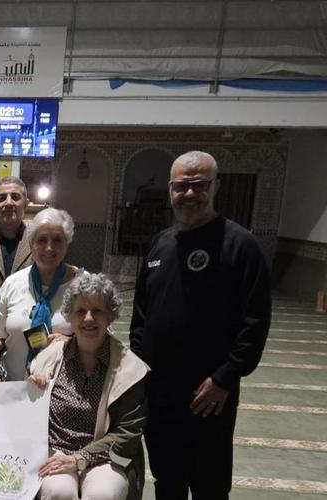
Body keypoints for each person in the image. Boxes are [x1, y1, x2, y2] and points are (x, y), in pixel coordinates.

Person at [130, 151, 271, 500]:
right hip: (160, 393)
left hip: (210, 397)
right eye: (182, 186)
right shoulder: (160, 243)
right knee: (168, 482)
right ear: (170, 188)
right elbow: (141, 314)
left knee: (209, 485)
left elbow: (255, 321)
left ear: (215, 186)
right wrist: (139, 367)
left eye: (199, 185)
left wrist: (225, 377)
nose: (190, 194)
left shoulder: (240, 245)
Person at [29, 272, 149, 500]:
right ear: (69, 316)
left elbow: (127, 433)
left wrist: (79, 459)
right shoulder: (47, 358)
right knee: (58, 493)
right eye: (80, 311)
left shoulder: (131, 369)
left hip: (106, 458)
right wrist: (31, 390)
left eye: (97, 311)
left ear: (111, 316)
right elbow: (26, 419)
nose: (88, 319)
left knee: (101, 495)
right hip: (55, 453)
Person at [0, 208, 82, 381]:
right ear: (31, 243)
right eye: (42, 240)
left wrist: (73, 343)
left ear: (67, 243)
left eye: (57, 240)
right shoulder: (13, 283)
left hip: (62, 390)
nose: (49, 248)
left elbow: (101, 337)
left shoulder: (82, 285)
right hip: (13, 388)